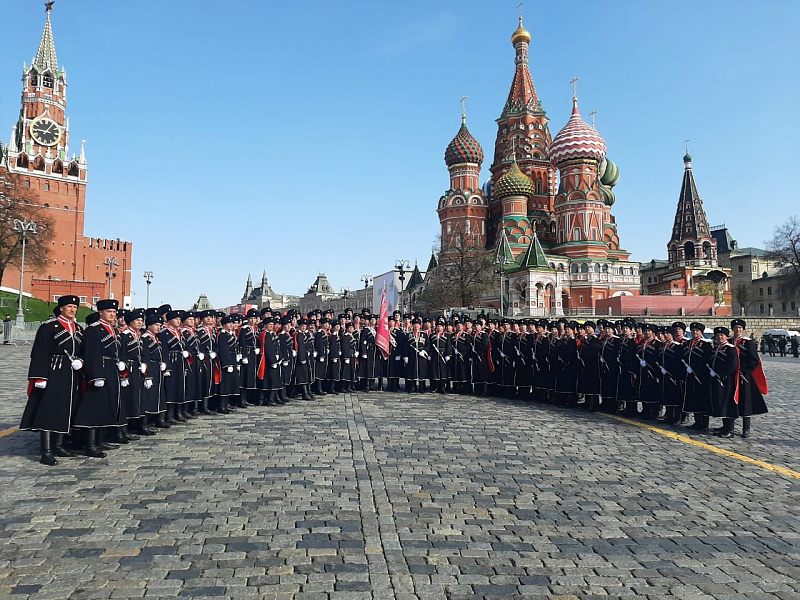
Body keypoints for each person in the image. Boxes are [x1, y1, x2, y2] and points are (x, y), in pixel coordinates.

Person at [20, 295, 84, 466]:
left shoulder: (78, 328)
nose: (72, 310)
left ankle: (59, 444)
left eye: (75, 307)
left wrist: (81, 362)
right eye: (69, 306)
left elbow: (82, 351)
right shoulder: (48, 327)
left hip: (72, 373)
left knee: (66, 408)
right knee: (49, 409)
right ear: (61, 308)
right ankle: (46, 450)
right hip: (54, 371)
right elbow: (39, 353)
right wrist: (40, 376)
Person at [730, 319, 768, 438]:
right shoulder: (729, 341)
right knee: (730, 399)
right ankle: (728, 426)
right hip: (731, 375)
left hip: (744, 376)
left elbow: (754, 360)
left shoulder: (748, 343)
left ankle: (746, 428)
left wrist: (743, 370)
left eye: (740, 328)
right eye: (736, 328)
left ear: (743, 329)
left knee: (745, 401)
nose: (738, 330)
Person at [708, 326, 740, 438]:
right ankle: (724, 426)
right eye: (717, 335)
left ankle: (730, 429)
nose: (719, 337)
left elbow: (732, 365)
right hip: (717, 379)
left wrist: (722, 375)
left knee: (728, 403)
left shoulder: (730, 348)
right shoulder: (716, 348)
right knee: (721, 402)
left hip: (727, 380)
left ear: (726, 336)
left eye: (722, 335)